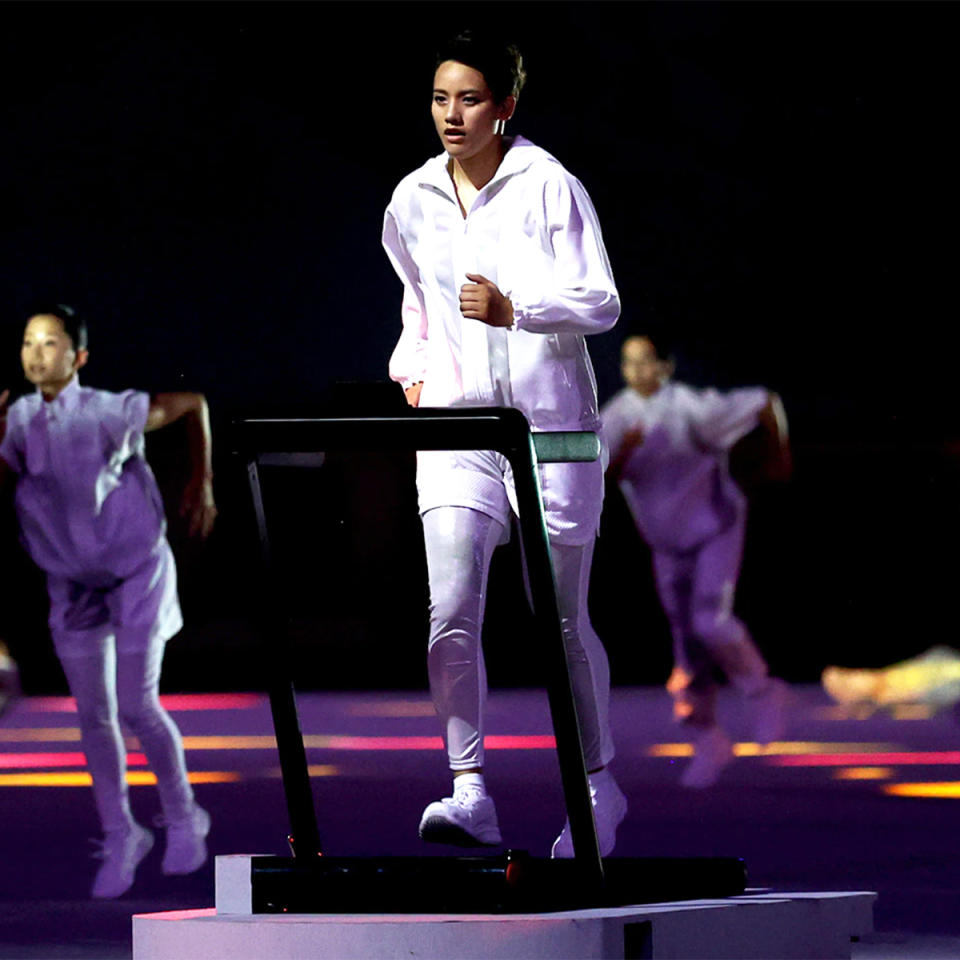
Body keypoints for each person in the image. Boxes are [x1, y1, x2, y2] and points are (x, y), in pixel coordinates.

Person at [382, 30, 626, 856]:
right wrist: (411, 362)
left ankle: (597, 788)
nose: (453, 114)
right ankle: (468, 791)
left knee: (559, 620)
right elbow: (415, 300)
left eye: (471, 99)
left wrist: (517, 306)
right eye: (442, 98)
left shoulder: (548, 184)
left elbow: (601, 300)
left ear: (505, 107)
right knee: (449, 614)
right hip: (455, 430)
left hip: (551, 428)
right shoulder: (411, 196)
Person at [0, 304, 216, 898]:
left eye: (50, 342)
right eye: (27, 343)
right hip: (71, 582)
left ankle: (182, 817)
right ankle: (122, 833)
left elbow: (192, 403)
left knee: (135, 704)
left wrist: (203, 480)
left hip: (134, 571)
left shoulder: (106, 410)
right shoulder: (15, 421)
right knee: (94, 716)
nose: (36, 353)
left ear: (79, 357)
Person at [602, 334, 791, 787]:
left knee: (711, 622)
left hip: (716, 530)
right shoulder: (616, 416)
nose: (637, 371)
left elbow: (765, 401)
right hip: (668, 548)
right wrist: (624, 451)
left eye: (646, 361)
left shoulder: (692, 407)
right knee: (686, 649)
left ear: (665, 366)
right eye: (629, 363)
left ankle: (764, 693)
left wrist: (779, 454)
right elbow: (595, 473)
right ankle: (707, 739)